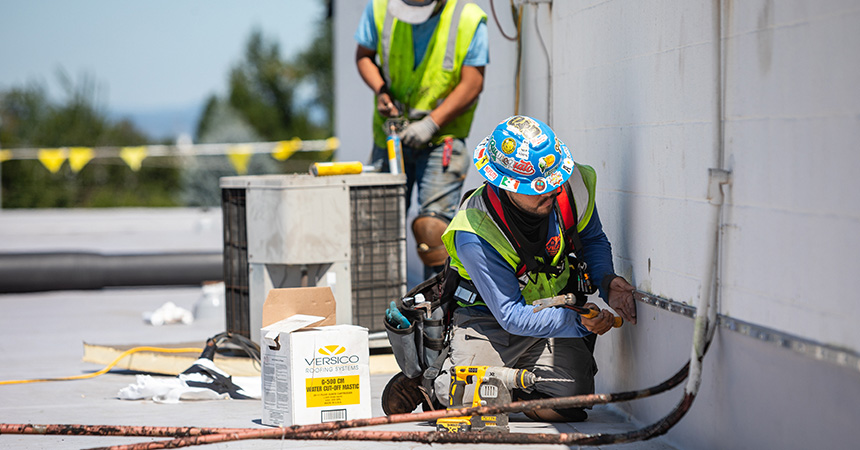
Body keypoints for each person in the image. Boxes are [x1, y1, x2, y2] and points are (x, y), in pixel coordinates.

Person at [382, 115, 638, 422]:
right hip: (487, 322)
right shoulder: (475, 231)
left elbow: (592, 238)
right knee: (465, 407)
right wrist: (580, 323)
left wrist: (607, 282)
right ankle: (431, 383)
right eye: (537, 188)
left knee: (571, 402)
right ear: (505, 185)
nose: (552, 191)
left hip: (552, 314)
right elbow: (511, 315)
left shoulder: (571, 186)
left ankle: (504, 391)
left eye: (556, 180)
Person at [354, 0, 488, 278]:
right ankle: (378, 301)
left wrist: (432, 122)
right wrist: (381, 91)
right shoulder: (380, 7)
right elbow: (364, 55)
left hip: (442, 137)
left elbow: (473, 82)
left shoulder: (468, 18)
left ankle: (436, 312)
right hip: (390, 136)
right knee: (378, 226)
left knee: (433, 229)